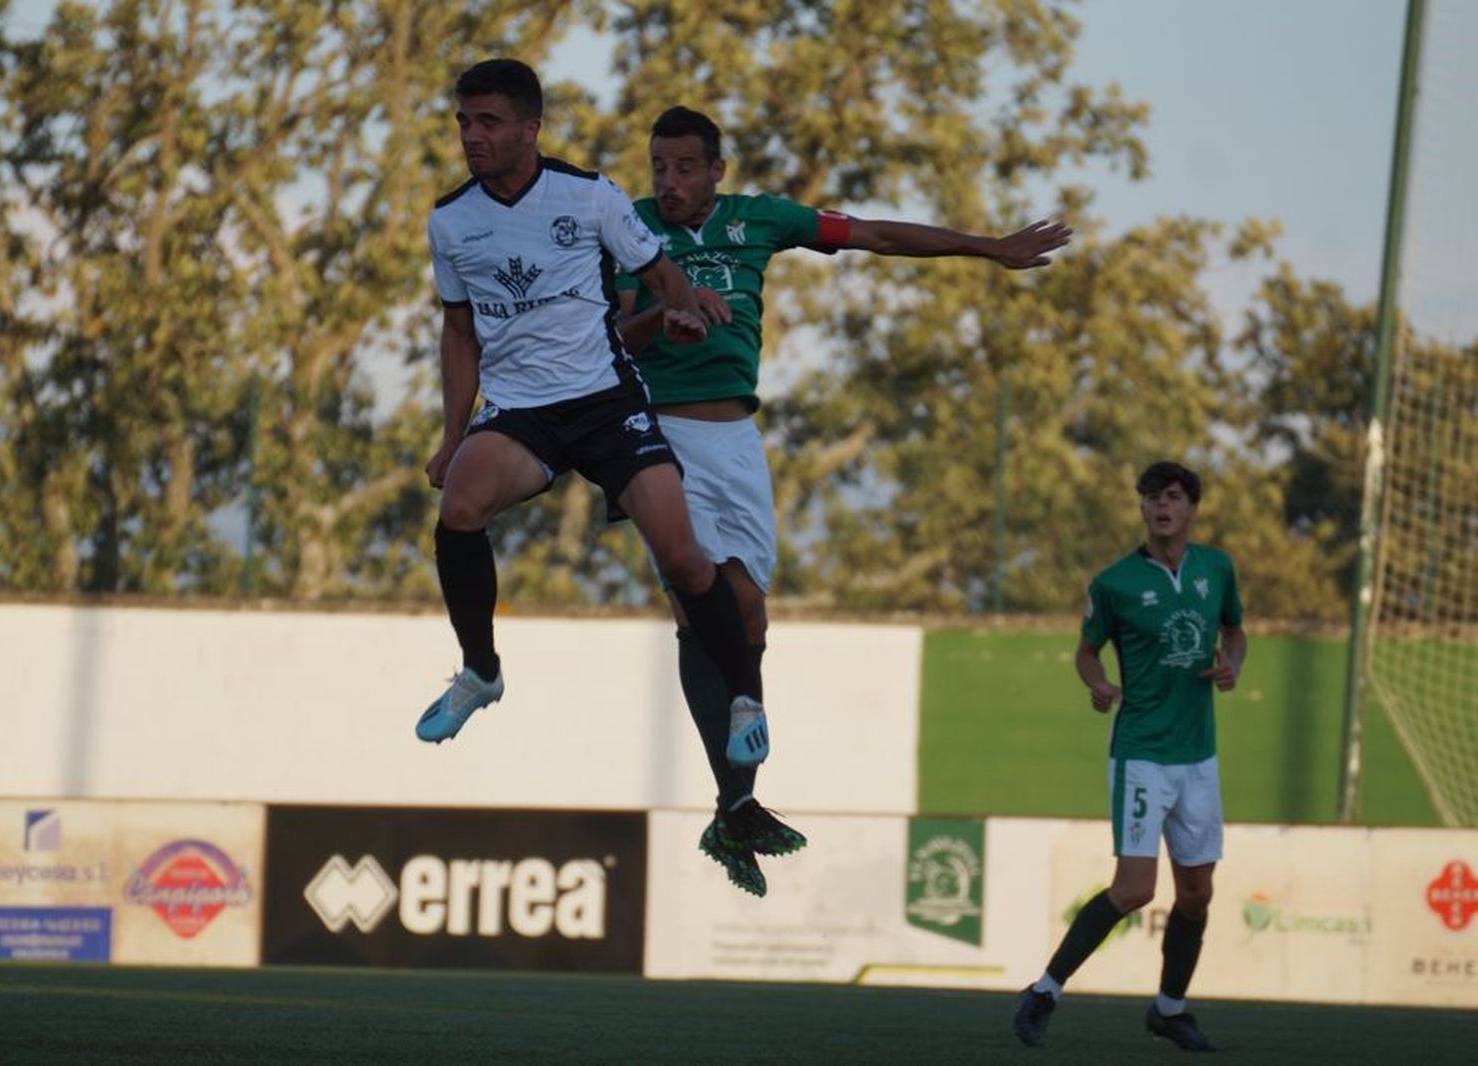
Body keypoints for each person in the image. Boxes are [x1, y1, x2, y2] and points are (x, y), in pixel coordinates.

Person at [616, 106, 1072, 896]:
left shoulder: (761, 221)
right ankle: (739, 794)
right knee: (694, 599)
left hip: (734, 441)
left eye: (685, 168)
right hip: (657, 436)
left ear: (717, 171)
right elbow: (620, 337)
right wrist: (666, 318)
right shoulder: (628, 229)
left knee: (750, 613)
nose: (670, 182)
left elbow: (873, 235)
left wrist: (987, 248)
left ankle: (735, 794)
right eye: (660, 166)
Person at [418, 62, 767, 755]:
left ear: (529, 129)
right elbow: (459, 333)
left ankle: (743, 699)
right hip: (521, 411)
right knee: (459, 507)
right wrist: (452, 436)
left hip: (607, 403)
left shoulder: (588, 196)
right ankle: (481, 672)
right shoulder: (451, 221)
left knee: (688, 561)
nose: (471, 136)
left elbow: (662, 273)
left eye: (488, 122)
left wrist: (684, 306)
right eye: (464, 122)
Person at [1012, 461, 1247, 1052]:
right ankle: (1044, 990)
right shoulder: (1114, 582)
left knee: (1197, 894)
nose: (1162, 507)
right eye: (1151, 498)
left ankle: (1169, 1010)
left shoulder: (1216, 568)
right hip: (1141, 751)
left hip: (1199, 755)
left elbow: (1236, 631)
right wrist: (1097, 683)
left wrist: (1233, 663)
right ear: (1141, 509)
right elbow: (1086, 652)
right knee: (1136, 888)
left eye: (1172, 497)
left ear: (1191, 508)